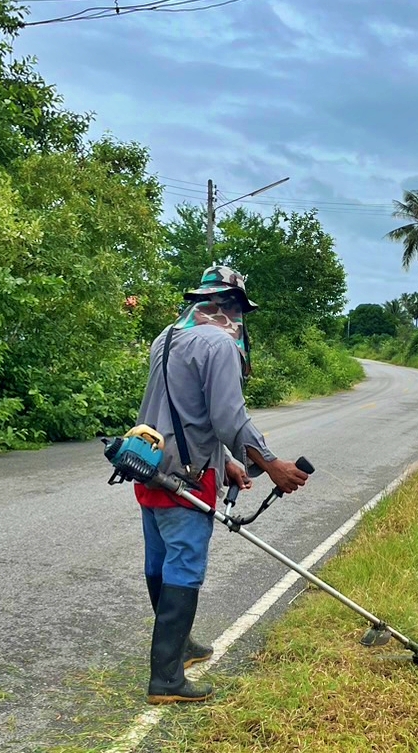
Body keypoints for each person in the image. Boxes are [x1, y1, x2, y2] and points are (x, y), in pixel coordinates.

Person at [133, 265, 309, 705]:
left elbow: (177, 411)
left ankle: (181, 646)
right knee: (184, 567)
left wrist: (229, 462)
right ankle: (167, 679)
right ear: (232, 308)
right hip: (189, 479)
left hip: (150, 466)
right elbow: (229, 418)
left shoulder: (166, 337)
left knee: (159, 562)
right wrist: (270, 464)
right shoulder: (221, 344)